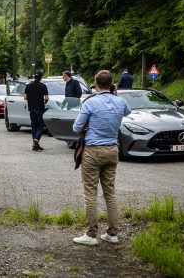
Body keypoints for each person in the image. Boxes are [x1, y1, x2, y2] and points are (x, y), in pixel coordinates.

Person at [72, 70, 131, 246]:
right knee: (110, 193)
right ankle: (112, 234)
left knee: (90, 192)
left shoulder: (91, 103)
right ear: (112, 84)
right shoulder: (120, 101)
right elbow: (127, 112)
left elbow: (76, 128)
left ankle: (91, 235)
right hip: (113, 150)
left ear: (96, 84)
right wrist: (115, 95)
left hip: (93, 151)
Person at [24, 73, 49, 151]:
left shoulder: (28, 86)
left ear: (34, 78)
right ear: (40, 78)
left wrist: (31, 100)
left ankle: (35, 144)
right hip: (40, 108)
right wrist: (44, 102)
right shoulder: (43, 86)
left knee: (34, 125)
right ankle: (36, 140)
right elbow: (47, 98)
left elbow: (25, 97)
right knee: (41, 126)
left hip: (31, 108)